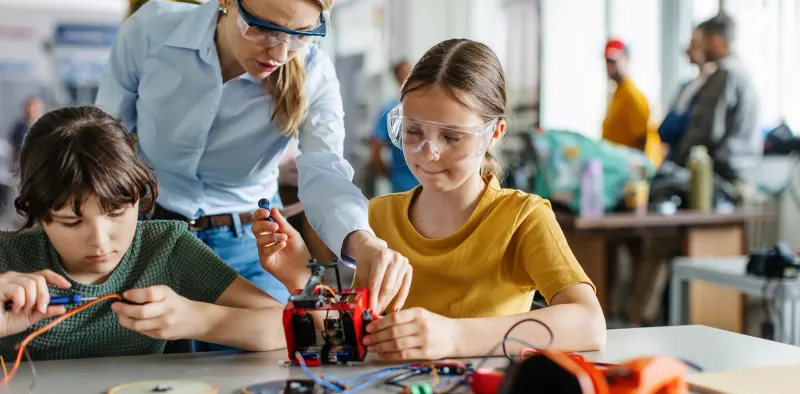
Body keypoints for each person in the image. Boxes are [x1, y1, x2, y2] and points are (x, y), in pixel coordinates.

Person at [253, 39, 607, 360]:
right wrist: (302, 282)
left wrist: (454, 337)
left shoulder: (522, 218)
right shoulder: (376, 217)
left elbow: (589, 324)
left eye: (452, 137)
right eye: (413, 132)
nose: (429, 153)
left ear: (494, 134)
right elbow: (358, 337)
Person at [95, 0, 411, 323]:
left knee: (266, 357)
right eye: (262, 29)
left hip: (253, 246)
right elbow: (106, 143)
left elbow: (324, 170)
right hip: (149, 236)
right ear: (226, 2)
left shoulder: (314, 70)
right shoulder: (150, 32)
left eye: (301, 35)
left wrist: (363, 240)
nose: (278, 54)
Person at [0, 106, 287, 361]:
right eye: (72, 222)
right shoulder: (7, 259)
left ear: (139, 194)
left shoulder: (165, 248)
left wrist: (198, 319)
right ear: (35, 211)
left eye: (115, 213)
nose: (100, 241)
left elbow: (288, 326)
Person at [672, 13, 762, 184]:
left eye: (703, 41)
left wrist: (677, 161)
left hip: (724, 175)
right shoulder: (743, 71)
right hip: (746, 171)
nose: (701, 47)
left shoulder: (724, 74)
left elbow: (707, 131)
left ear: (717, 41)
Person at [659, 27, 717, 157]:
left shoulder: (714, 87)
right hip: (676, 156)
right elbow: (665, 129)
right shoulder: (687, 86)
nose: (687, 51)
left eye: (693, 44)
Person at [369, 60, 419, 193]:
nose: (409, 77)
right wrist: (385, 173)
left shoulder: (428, 106)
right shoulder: (389, 111)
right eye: (405, 74)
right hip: (402, 184)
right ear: (397, 78)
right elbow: (375, 146)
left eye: (412, 72)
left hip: (427, 182)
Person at [601, 39, 651, 151]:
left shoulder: (633, 97)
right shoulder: (617, 94)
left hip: (627, 164)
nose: (610, 67)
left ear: (626, 59)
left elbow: (642, 140)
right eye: (607, 61)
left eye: (614, 61)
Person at [9, 96, 44, 167]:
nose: (30, 110)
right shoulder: (18, 128)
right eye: (28, 107)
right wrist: (13, 166)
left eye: (34, 108)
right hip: (22, 165)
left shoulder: (45, 127)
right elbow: (14, 149)